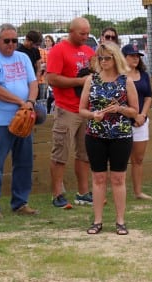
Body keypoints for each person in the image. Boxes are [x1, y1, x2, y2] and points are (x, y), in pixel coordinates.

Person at [79, 42, 138, 235]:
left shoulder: (125, 81)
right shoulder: (91, 80)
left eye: (107, 58)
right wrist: (93, 115)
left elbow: (134, 111)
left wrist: (119, 108)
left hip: (120, 134)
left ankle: (120, 221)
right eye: (100, 58)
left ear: (115, 59)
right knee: (98, 177)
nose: (103, 61)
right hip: (95, 134)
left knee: (118, 178)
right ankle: (97, 221)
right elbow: (81, 109)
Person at [0, 23, 39, 218]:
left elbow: (33, 82)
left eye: (15, 40)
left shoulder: (23, 57)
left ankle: (20, 202)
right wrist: (21, 102)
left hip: (24, 117)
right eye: (7, 41)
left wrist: (30, 102)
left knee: (24, 163)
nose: (11, 44)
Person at [47, 17, 95, 209]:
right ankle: (57, 194)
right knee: (60, 153)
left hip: (87, 109)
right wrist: (80, 82)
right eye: (82, 33)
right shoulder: (58, 50)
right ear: (71, 31)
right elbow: (51, 78)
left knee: (84, 154)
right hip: (66, 109)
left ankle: (83, 193)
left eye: (87, 33)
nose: (85, 37)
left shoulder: (89, 51)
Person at [121, 44, 152, 200]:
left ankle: (138, 192)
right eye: (132, 55)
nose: (135, 58)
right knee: (119, 159)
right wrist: (133, 115)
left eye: (137, 56)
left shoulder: (144, 75)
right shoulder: (118, 75)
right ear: (123, 57)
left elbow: (148, 97)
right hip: (122, 121)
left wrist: (142, 115)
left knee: (138, 159)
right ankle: (119, 191)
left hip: (141, 121)